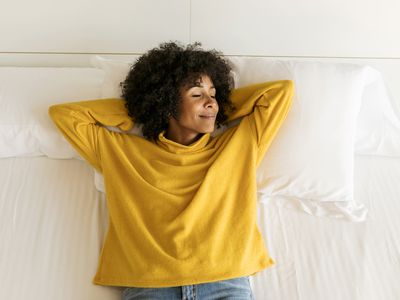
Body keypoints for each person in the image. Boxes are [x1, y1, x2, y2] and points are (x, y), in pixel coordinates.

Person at [48, 41, 294, 300]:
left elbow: (280, 93)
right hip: (150, 287)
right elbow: (65, 115)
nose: (211, 102)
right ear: (166, 102)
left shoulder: (239, 144)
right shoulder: (121, 152)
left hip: (225, 283)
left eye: (214, 94)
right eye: (197, 94)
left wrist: (215, 105)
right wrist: (141, 110)